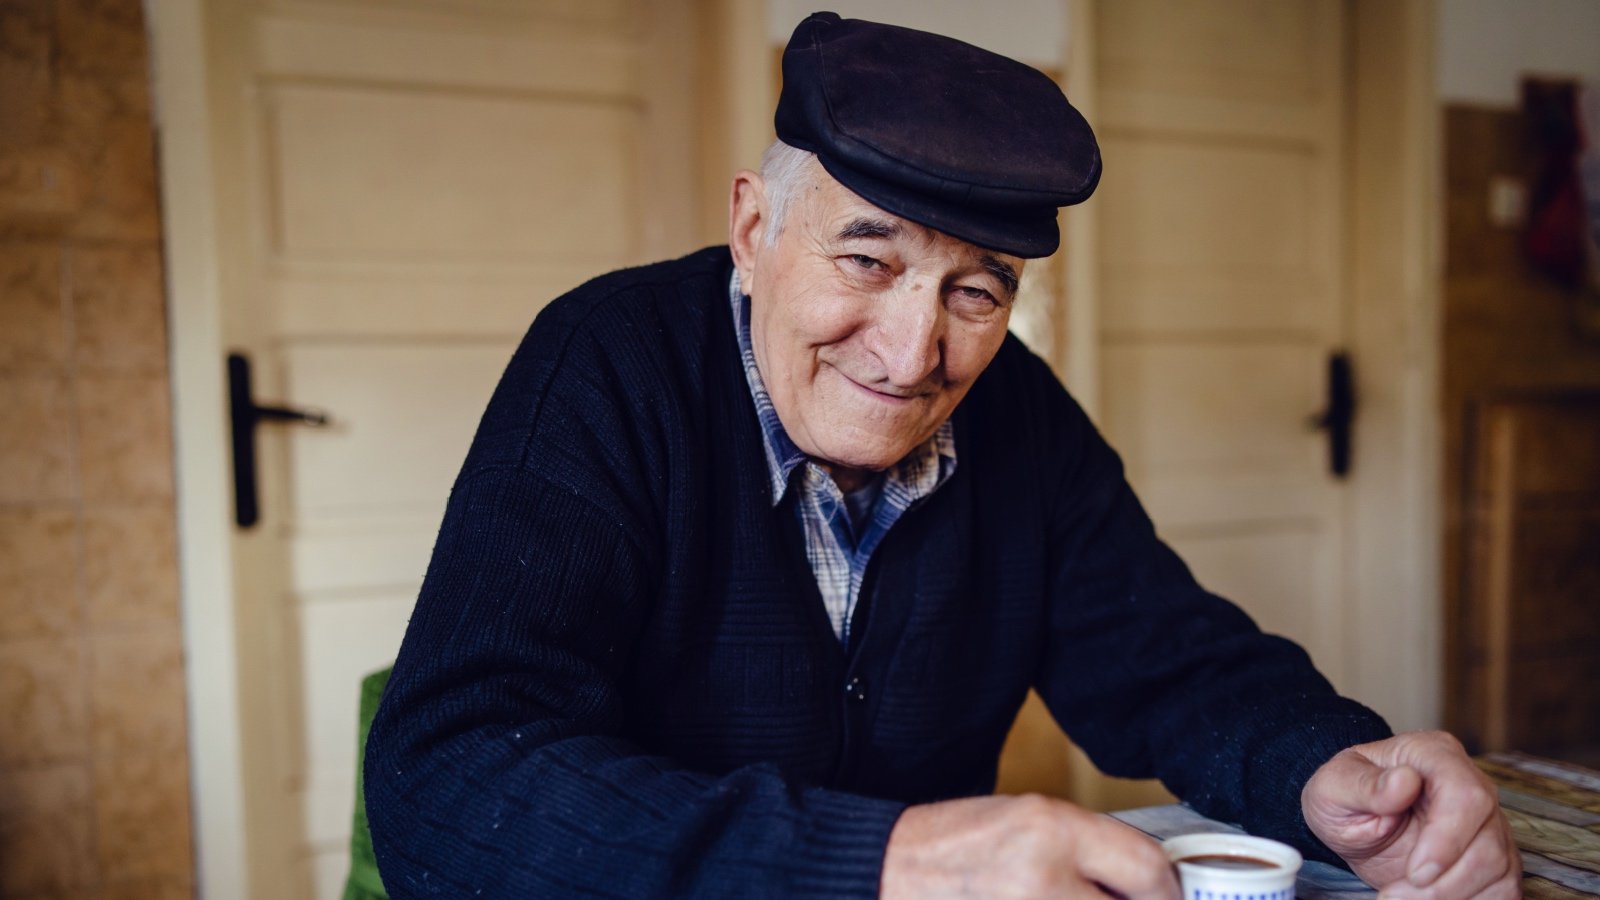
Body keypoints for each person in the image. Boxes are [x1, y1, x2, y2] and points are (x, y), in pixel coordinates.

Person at [366, 12, 1520, 899]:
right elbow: (450, 775)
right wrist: (889, 861)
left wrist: (1334, 771)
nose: (914, 351)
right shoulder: (608, 363)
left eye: (975, 291)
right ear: (753, 230)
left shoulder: (1016, 410)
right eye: (867, 260)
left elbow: (1170, 663)